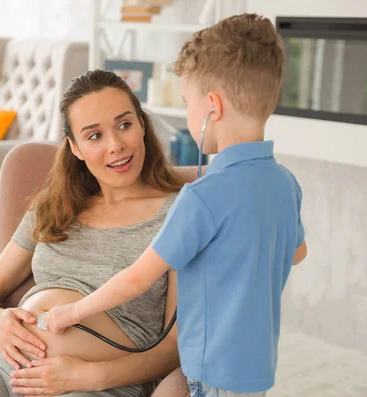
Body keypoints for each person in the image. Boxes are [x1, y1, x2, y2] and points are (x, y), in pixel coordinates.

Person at [44, 13, 308, 397]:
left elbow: (137, 277)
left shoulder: (204, 195)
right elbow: (297, 253)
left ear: (212, 108)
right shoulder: (286, 183)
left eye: (188, 103)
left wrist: (74, 312)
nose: (189, 113)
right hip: (257, 368)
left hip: (211, 369)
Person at [0, 69, 196, 397]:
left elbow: (174, 346)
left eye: (124, 125)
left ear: (142, 125)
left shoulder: (180, 213)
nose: (116, 145)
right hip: (5, 372)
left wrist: (87, 377)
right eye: (94, 136)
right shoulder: (55, 207)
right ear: (75, 147)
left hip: (98, 388)